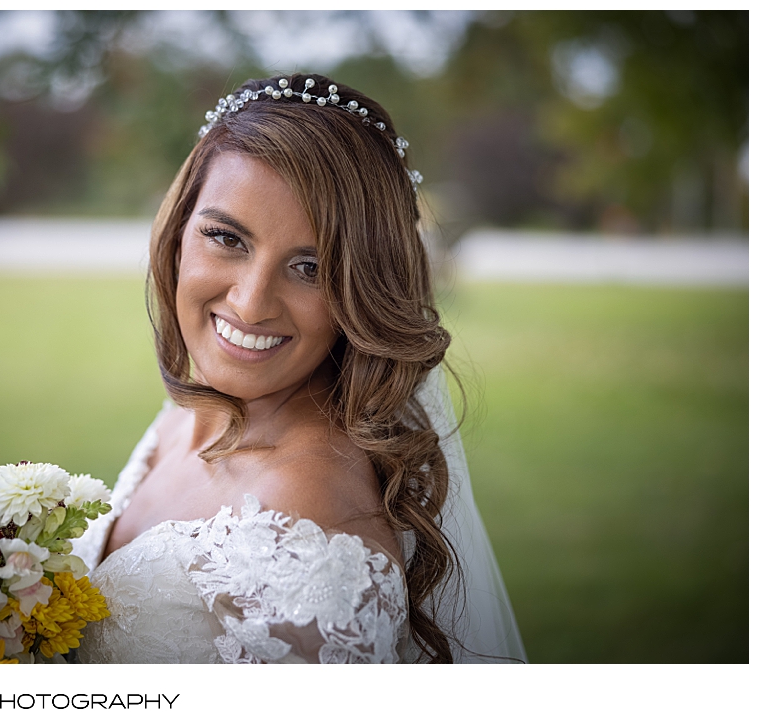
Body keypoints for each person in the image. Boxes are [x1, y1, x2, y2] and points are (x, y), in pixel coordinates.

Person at [71, 73, 526, 664]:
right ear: (179, 229)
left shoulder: (314, 530)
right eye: (226, 238)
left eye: (311, 267)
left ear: (362, 292)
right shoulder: (188, 412)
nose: (251, 302)